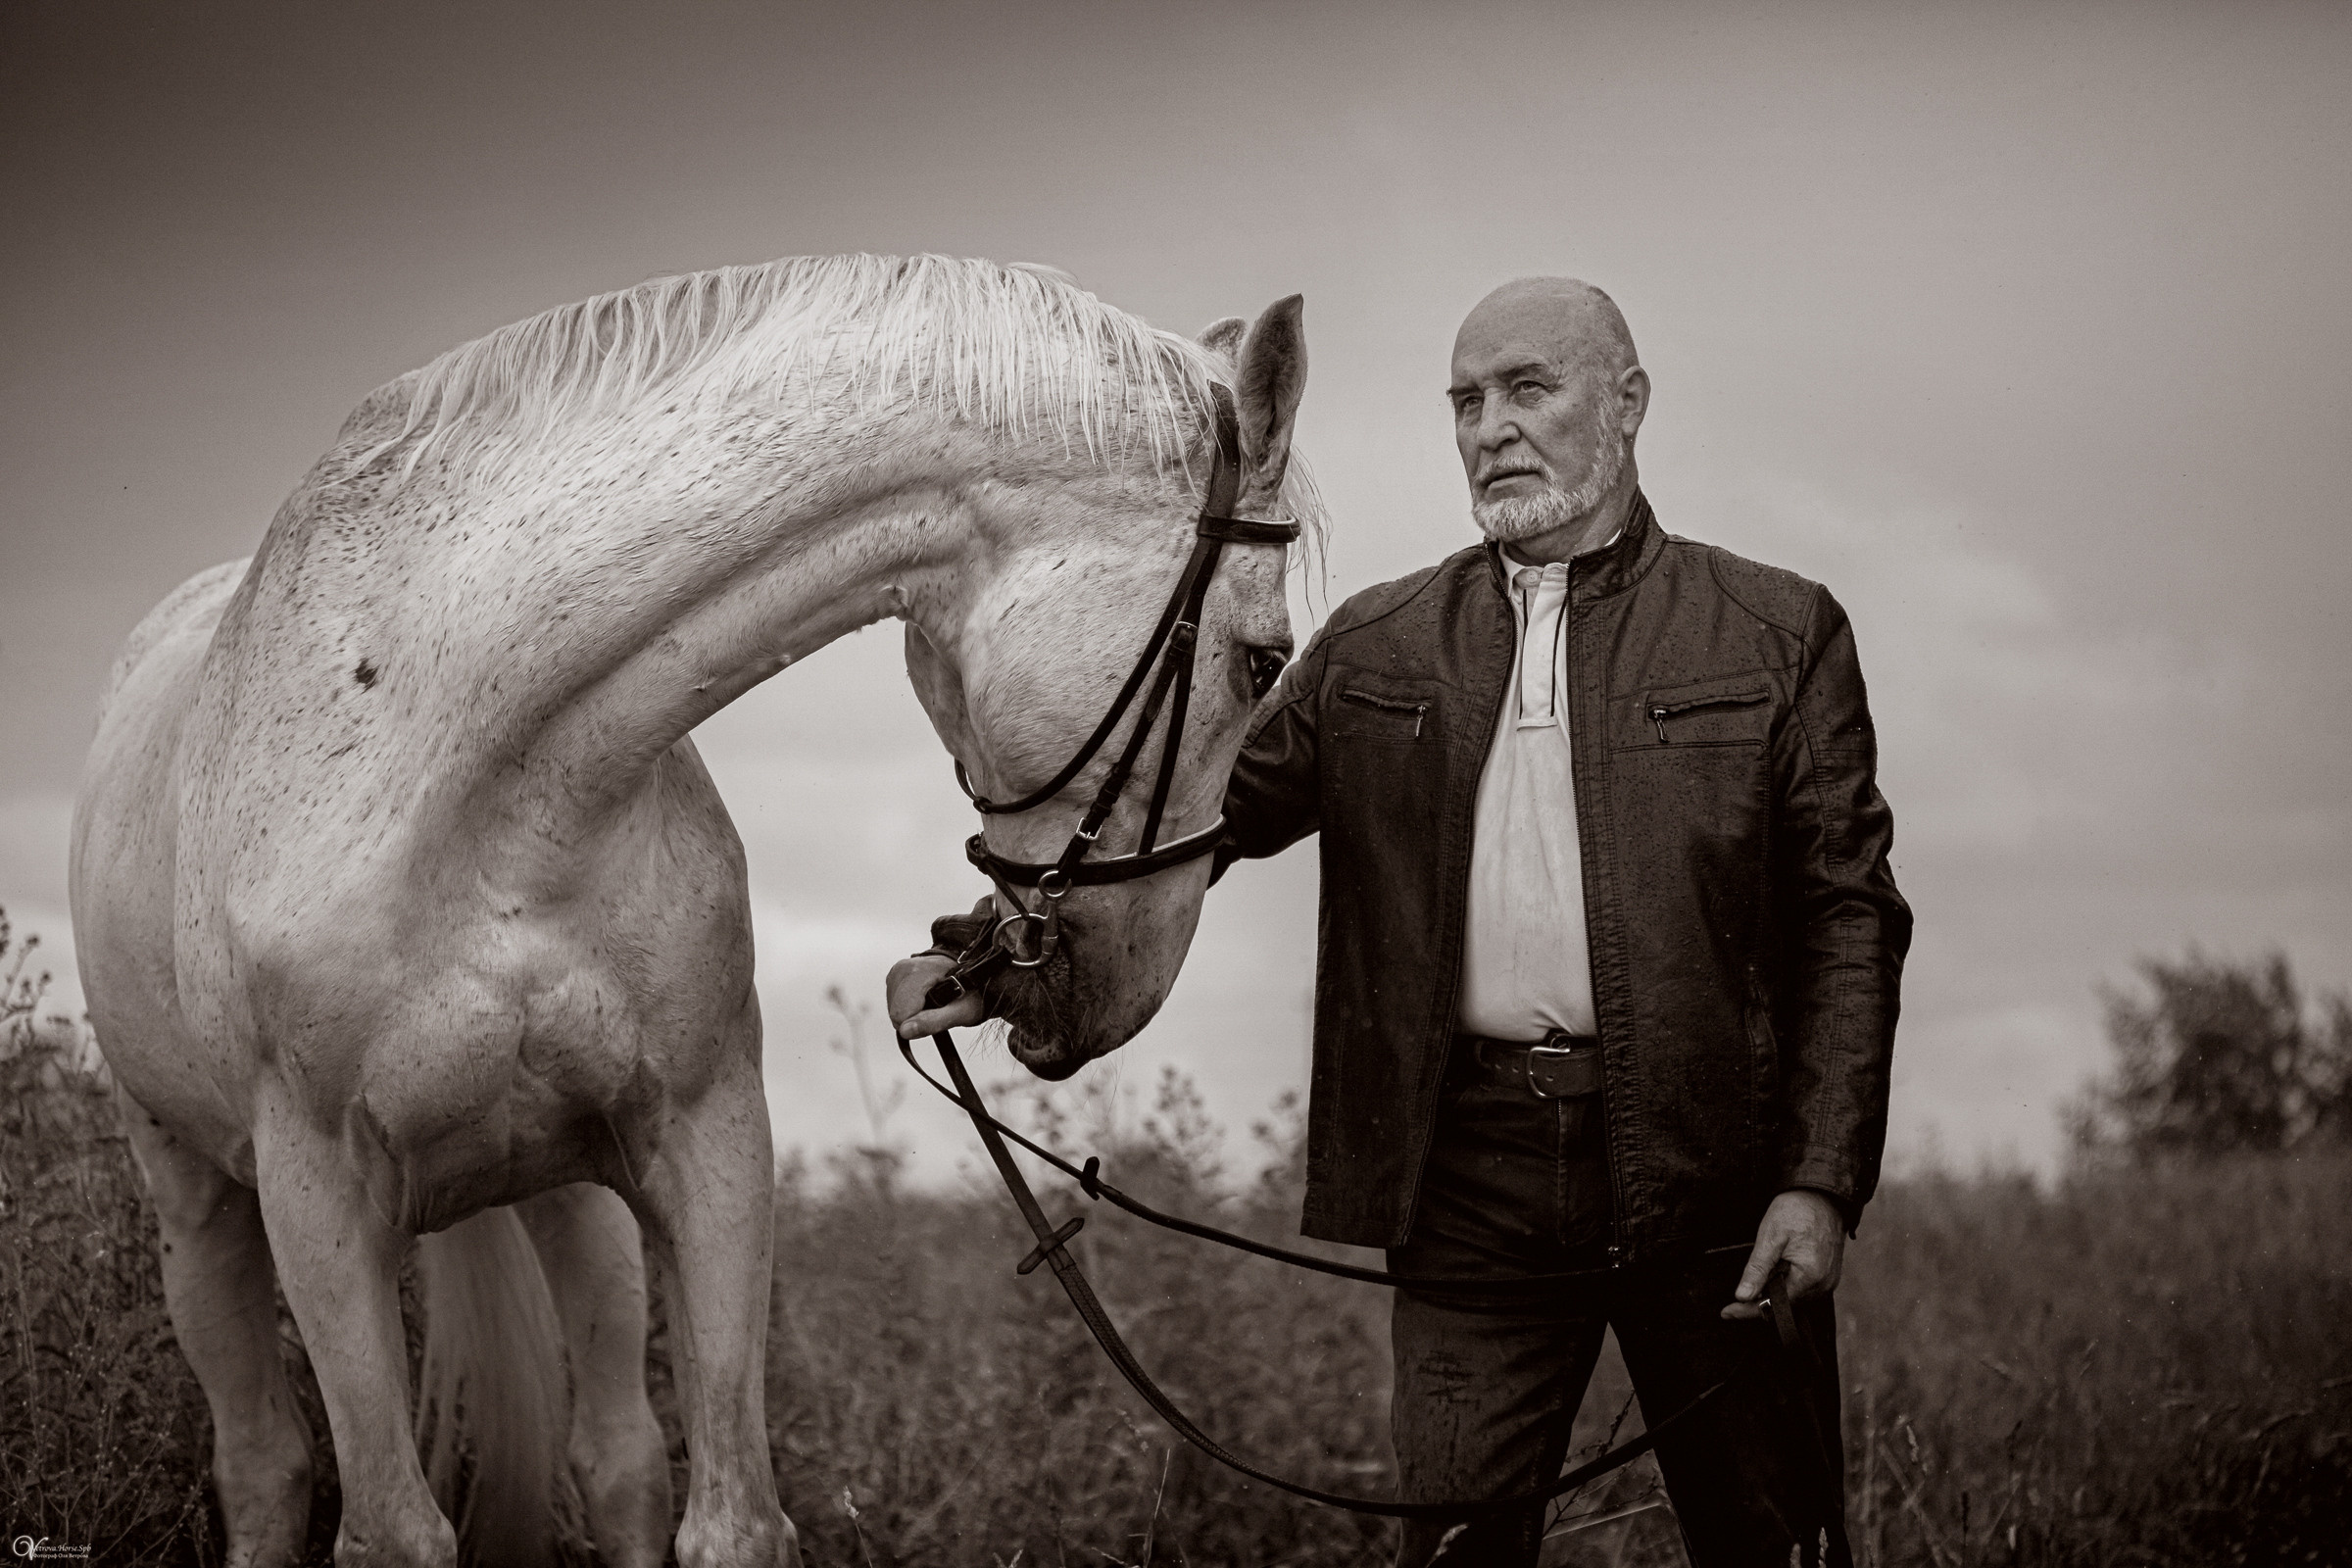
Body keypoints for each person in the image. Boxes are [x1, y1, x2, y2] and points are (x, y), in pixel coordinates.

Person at [890, 278, 1909, 1567]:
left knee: (1775, 1545)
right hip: (1466, 1174)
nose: (1491, 427)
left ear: (1630, 402)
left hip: (1714, 1172)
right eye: (1466, 401)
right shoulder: (1376, 648)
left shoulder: (1774, 632)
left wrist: (1817, 1181)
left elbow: (1846, 920)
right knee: (1454, 1550)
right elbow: (1191, 821)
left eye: (1528, 389)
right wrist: (988, 960)